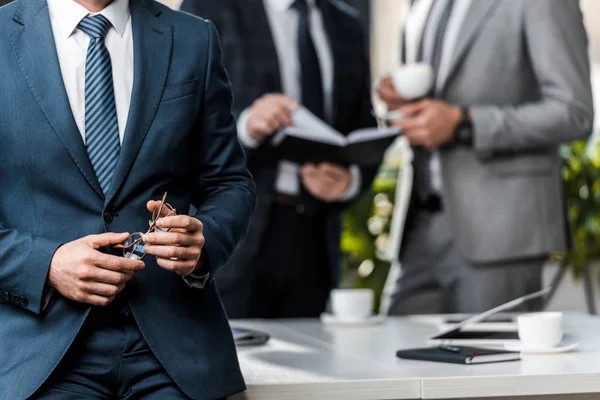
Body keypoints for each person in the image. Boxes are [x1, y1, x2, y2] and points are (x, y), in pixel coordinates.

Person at [0, 0, 255, 399]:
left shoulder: (192, 37)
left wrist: (203, 243)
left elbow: (229, 182)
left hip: (172, 352)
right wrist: (46, 265)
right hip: (40, 352)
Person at [380, 0, 594, 315]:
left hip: (501, 230)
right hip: (419, 224)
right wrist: (398, 100)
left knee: (489, 362)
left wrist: (464, 123)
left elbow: (574, 112)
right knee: (392, 356)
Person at [181, 0, 377, 318]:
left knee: (307, 362)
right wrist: (244, 127)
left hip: (314, 236)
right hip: (232, 232)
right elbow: (177, 118)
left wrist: (350, 181)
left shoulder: (346, 23)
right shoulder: (208, 10)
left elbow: (363, 126)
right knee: (228, 361)